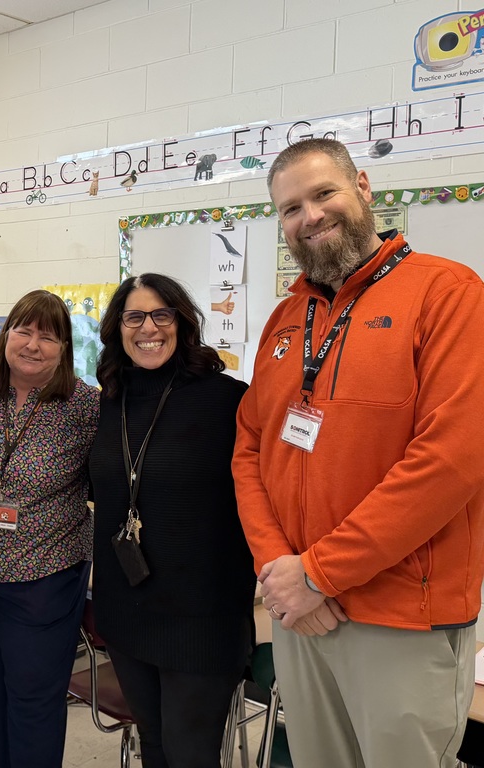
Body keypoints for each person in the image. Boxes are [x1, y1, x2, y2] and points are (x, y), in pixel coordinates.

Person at [233, 137, 484, 768]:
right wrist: (279, 570)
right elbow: (249, 449)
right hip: (299, 612)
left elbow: (448, 462)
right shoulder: (285, 319)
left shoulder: (449, 293)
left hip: (400, 615)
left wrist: (318, 573)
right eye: (290, 208)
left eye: (324, 194)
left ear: (363, 188)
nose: (309, 216)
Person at [89, 274, 254, 768]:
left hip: (201, 616)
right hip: (125, 610)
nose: (149, 329)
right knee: (154, 749)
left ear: (182, 323)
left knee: (190, 755)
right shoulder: (105, 402)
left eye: (162, 315)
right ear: (118, 327)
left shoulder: (229, 400)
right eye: (134, 316)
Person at [0, 289, 99, 768]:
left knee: (33, 704)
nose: (34, 344)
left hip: (46, 578)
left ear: (64, 348)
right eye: (24, 329)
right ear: (6, 334)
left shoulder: (84, 406)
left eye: (49, 336)